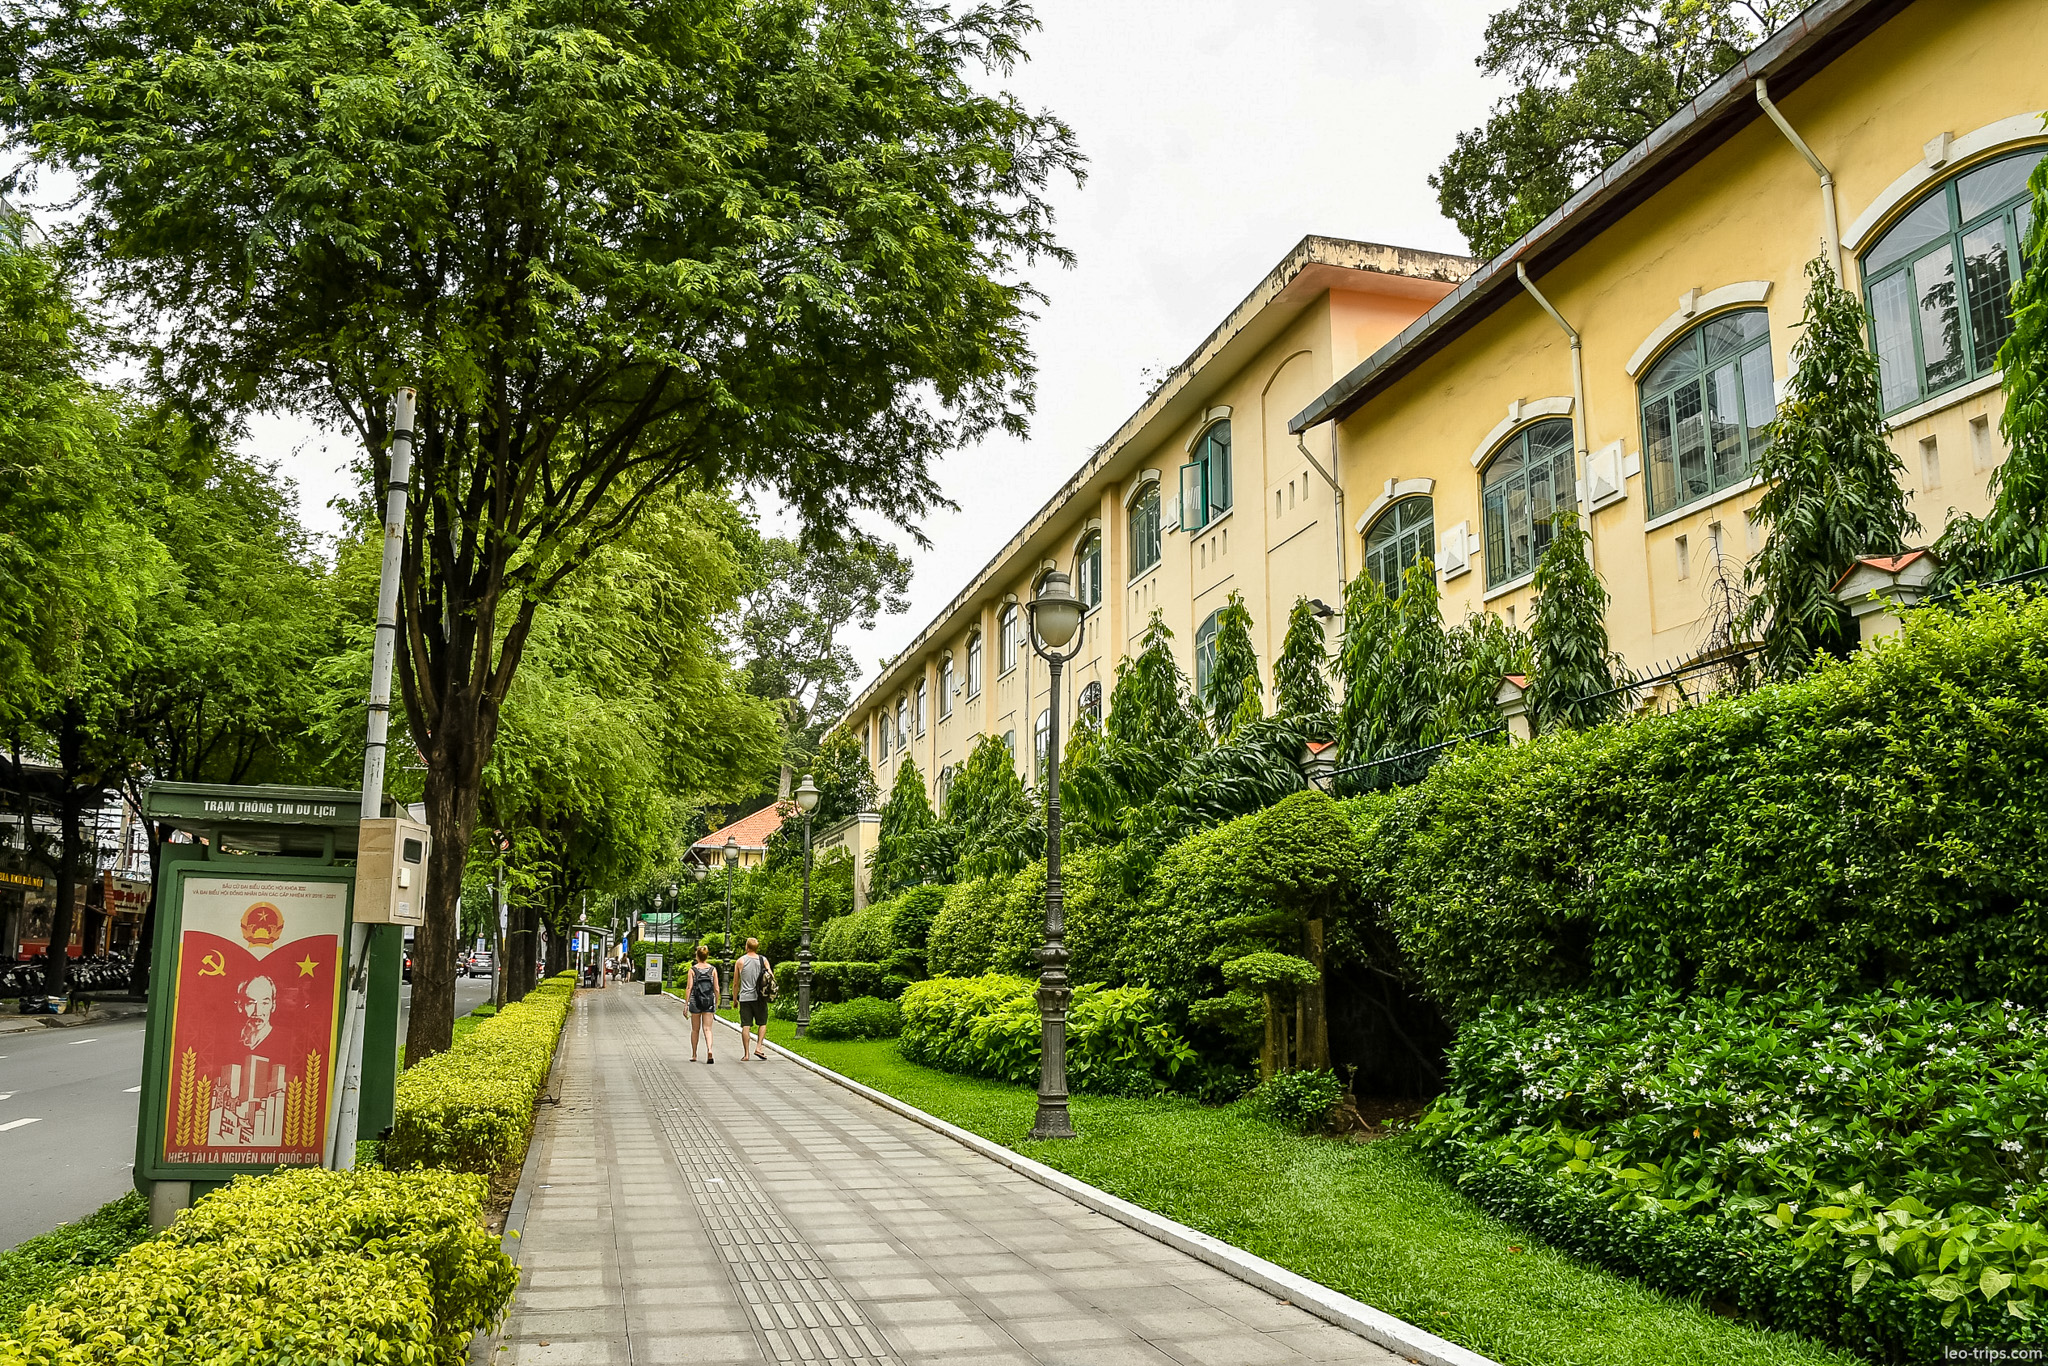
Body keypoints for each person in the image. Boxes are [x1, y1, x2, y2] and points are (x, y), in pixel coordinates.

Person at [735, 937, 773, 1062]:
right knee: (762, 1023)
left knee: (746, 1025)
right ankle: (758, 1047)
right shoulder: (763, 960)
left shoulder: (740, 961)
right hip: (760, 997)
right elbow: (771, 976)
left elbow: (736, 983)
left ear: (747, 947)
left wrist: (735, 999)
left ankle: (746, 1054)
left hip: (745, 998)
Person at [686, 945, 719, 1064]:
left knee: (695, 1029)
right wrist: (716, 1001)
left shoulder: (692, 970)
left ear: (697, 956)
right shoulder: (712, 970)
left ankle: (694, 1054)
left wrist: (686, 1004)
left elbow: (689, 987)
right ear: (707, 956)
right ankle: (709, 1050)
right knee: (708, 1029)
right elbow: (716, 988)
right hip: (708, 1001)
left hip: (695, 1001)